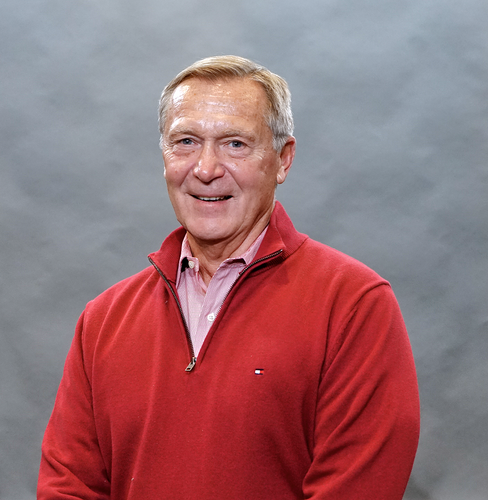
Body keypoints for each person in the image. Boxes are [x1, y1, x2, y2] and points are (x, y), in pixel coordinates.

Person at [38, 55, 420, 499]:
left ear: (283, 159)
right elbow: (69, 487)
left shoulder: (354, 305)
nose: (205, 169)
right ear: (164, 156)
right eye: (185, 141)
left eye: (235, 144)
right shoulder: (104, 320)